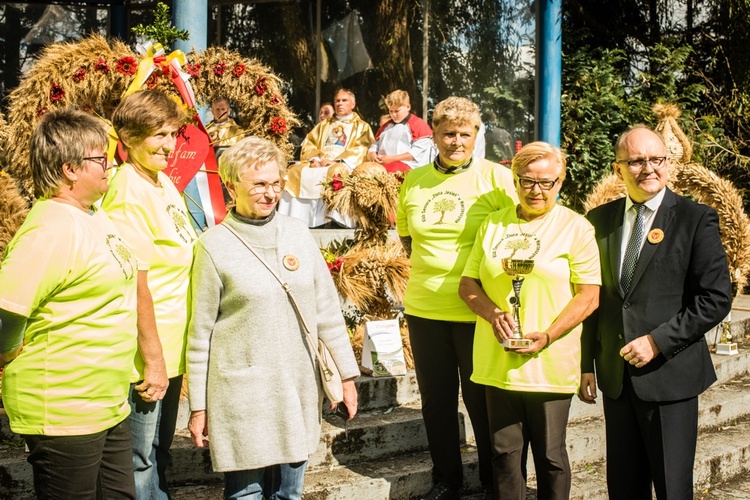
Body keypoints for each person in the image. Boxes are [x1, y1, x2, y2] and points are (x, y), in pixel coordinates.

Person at [186, 136, 359, 500]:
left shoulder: (298, 233)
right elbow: (200, 335)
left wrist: (346, 376)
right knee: (244, 496)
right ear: (232, 186)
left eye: (276, 183)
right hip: (242, 396)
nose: (270, 193)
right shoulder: (213, 246)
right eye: (259, 184)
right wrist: (199, 407)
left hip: (296, 389)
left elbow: (326, 311)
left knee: (288, 496)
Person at [579, 125, 732, 499]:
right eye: (637, 161)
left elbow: (715, 298)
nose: (648, 168)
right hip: (616, 380)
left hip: (670, 377)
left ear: (668, 163)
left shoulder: (696, 219)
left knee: (671, 489)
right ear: (618, 169)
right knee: (624, 488)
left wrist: (658, 341)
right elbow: (592, 299)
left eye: (657, 159)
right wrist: (586, 364)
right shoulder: (599, 222)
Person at [0, 109, 138, 498]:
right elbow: (7, 309)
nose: (110, 164)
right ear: (70, 169)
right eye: (99, 158)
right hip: (64, 406)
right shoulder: (50, 228)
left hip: (107, 401)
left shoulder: (93, 214)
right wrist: (8, 351)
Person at [458, 141, 601, 500]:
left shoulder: (576, 228)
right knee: (503, 456)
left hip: (550, 363)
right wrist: (492, 314)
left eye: (546, 182)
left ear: (560, 182)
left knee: (551, 457)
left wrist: (549, 335)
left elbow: (589, 295)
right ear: (515, 181)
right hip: (498, 360)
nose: (536, 190)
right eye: (527, 181)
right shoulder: (493, 224)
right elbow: (467, 284)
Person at [396, 96, 518, 500]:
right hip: (425, 308)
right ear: (434, 134)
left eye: (465, 134)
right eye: (448, 133)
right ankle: (446, 479)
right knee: (436, 400)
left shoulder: (497, 179)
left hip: (477, 311)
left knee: (481, 398)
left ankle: (491, 480)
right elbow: (407, 237)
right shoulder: (414, 182)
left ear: (477, 135)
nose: (456, 141)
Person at [101, 90, 197, 500]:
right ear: (128, 138)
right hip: (146, 354)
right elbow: (134, 279)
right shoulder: (127, 191)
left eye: (172, 133)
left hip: (171, 347)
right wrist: (154, 360)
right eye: (157, 135)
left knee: (159, 453)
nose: (168, 145)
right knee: (138, 460)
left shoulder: (160, 182)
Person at [278, 88, 374, 227]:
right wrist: (315, 159)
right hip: (319, 162)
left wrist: (336, 161)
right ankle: (294, 218)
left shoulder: (362, 127)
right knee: (293, 172)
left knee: (337, 172)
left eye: (344, 100)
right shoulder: (324, 125)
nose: (340, 103)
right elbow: (309, 143)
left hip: (341, 163)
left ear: (353, 104)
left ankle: (333, 220)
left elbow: (362, 148)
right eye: (337, 101)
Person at [368, 89, 433, 172]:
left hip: (409, 166)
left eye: (397, 111)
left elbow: (417, 152)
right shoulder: (386, 126)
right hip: (382, 164)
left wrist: (392, 159)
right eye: (390, 111)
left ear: (408, 107)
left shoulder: (418, 124)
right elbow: (375, 145)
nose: (393, 114)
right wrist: (372, 154)